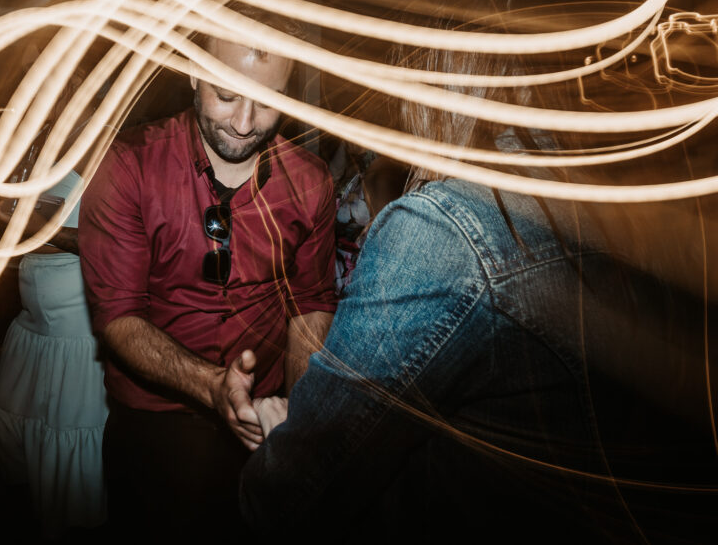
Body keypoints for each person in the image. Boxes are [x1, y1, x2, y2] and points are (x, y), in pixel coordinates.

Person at [240, 48, 718, 542]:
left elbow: (292, 492)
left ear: (434, 74)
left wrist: (281, 438)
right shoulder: (629, 200)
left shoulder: (444, 232)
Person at [78, 13, 337, 538]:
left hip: (260, 436)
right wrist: (213, 385)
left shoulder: (311, 184)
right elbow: (119, 317)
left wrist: (295, 415)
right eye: (227, 95)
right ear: (192, 73)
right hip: (153, 430)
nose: (245, 122)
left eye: (267, 102)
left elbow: (309, 303)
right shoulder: (128, 166)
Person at [0, 99, 108, 540]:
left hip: (75, 330)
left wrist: (32, 228)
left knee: (67, 449)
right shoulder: (43, 145)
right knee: (14, 436)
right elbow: (10, 208)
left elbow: (107, 240)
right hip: (33, 326)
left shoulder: (103, 154)